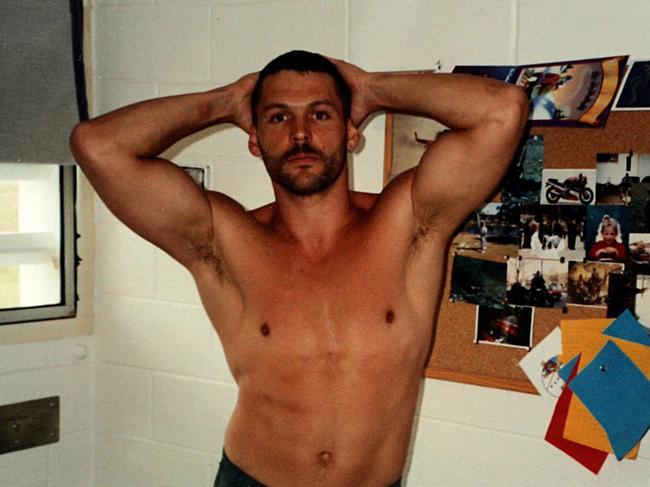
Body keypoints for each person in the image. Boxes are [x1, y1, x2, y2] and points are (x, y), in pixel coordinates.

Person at [70, 50, 528, 486]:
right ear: (254, 138)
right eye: (277, 117)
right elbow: (97, 146)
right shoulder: (224, 240)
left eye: (321, 113)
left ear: (351, 132)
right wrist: (228, 101)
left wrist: (370, 88)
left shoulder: (408, 223)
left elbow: (503, 109)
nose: (301, 133)